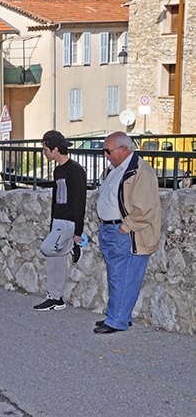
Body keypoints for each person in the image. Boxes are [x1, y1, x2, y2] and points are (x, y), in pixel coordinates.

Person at [94, 132, 161, 333]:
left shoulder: (140, 170)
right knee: (118, 276)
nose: (105, 154)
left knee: (122, 277)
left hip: (127, 233)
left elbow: (145, 208)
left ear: (124, 149)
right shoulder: (117, 168)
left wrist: (125, 227)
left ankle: (116, 321)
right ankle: (120, 315)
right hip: (110, 229)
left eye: (108, 150)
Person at [34, 130, 87, 311]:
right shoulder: (58, 170)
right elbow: (57, 199)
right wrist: (52, 223)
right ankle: (55, 297)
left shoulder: (76, 170)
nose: (44, 153)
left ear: (56, 149)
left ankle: (70, 246)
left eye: (46, 149)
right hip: (58, 221)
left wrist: (78, 234)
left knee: (46, 248)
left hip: (68, 223)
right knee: (54, 259)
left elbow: (81, 202)